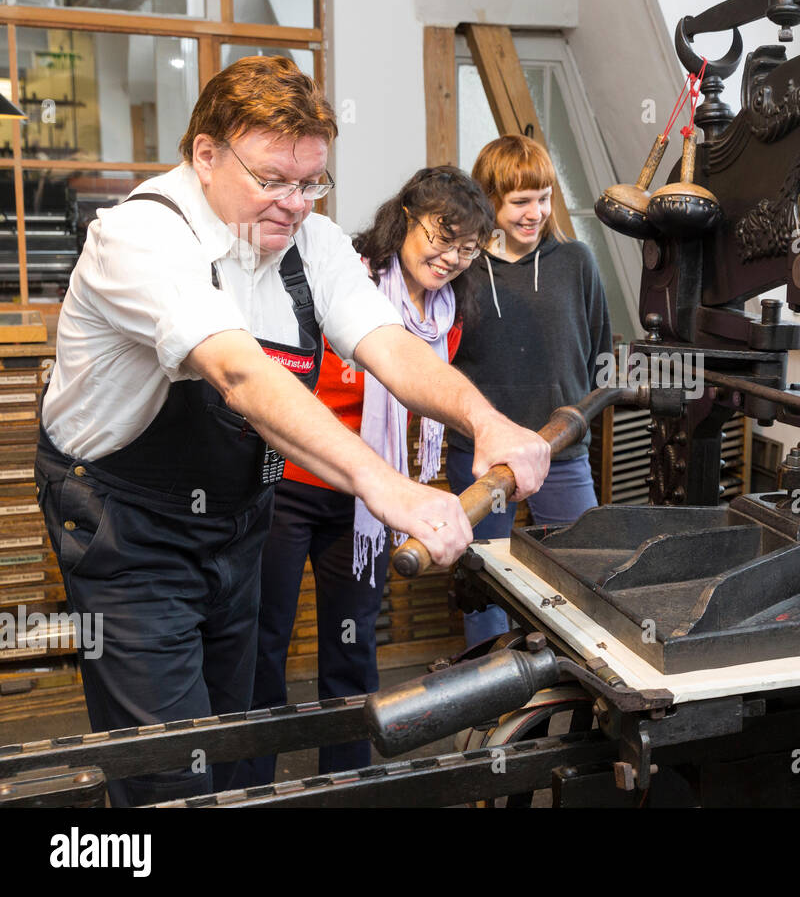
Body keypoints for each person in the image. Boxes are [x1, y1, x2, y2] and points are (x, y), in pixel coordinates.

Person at [34, 57, 549, 807]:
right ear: (204, 154)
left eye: (312, 183)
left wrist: (486, 419)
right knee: (169, 769)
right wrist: (384, 484)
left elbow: (388, 341)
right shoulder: (141, 237)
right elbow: (239, 374)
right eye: (273, 180)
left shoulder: (311, 241)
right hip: (127, 532)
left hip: (238, 522)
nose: (295, 203)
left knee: (239, 734)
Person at [235, 167, 493, 786]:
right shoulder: (338, 277)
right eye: (441, 236)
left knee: (353, 648)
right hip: (289, 484)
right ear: (404, 217)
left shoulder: (446, 313)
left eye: (468, 247)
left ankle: (347, 782)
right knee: (262, 643)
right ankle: (250, 784)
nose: (452, 257)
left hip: (366, 503)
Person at [445, 134, 612, 647]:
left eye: (543, 198)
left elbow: (600, 354)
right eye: (520, 201)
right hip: (480, 459)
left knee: (584, 579)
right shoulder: (461, 269)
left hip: (560, 454)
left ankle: (575, 695)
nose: (535, 212)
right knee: (485, 582)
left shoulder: (577, 262)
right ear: (489, 200)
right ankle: (488, 703)